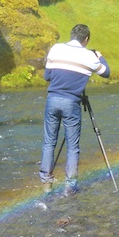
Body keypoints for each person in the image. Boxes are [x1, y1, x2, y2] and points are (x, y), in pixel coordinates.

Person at [39, 24, 110, 194]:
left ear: (71, 36)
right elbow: (106, 72)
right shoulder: (89, 56)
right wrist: (99, 55)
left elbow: (47, 76)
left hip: (52, 100)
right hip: (71, 102)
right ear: (86, 39)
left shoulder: (56, 48)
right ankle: (70, 187)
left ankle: (46, 184)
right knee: (72, 146)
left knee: (49, 142)